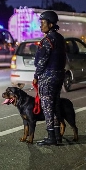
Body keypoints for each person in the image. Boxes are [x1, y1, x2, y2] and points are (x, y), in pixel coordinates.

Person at [33, 10, 66, 146]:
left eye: (43, 23)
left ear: (51, 24)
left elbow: (42, 61)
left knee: (47, 106)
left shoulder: (47, 40)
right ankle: (58, 136)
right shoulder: (60, 38)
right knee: (56, 105)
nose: (41, 26)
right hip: (59, 75)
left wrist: (36, 76)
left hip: (48, 76)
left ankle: (51, 136)